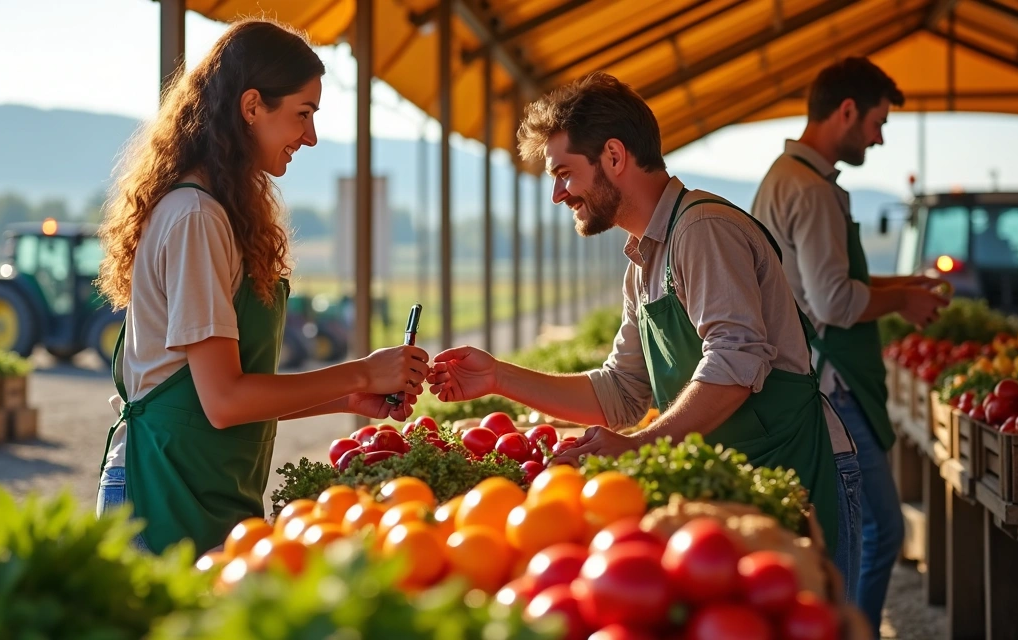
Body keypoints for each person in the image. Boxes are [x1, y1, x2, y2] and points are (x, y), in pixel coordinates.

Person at [426, 71, 852, 557]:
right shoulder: (646, 261)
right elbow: (621, 393)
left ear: (614, 155)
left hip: (798, 480)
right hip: (744, 486)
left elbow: (735, 362)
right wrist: (498, 377)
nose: (558, 195)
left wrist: (643, 444)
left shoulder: (702, 229)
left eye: (564, 173)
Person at [93, 20, 428, 556]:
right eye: (303, 114)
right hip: (159, 498)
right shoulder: (195, 218)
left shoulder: (220, 211)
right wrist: (363, 369)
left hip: (205, 491)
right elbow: (224, 401)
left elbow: (231, 393)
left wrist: (349, 397)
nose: (310, 137)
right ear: (252, 106)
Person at [751, 57, 949, 635]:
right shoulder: (811, 192)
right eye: (876, 123)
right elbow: (835, 303)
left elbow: (820, 285)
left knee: (847, 524)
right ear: (846, 112)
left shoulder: (785, 175)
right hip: (829, 379)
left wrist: (899, 285)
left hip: (808, 377)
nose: (879, 138)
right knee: (881, 527)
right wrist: (904, 303)